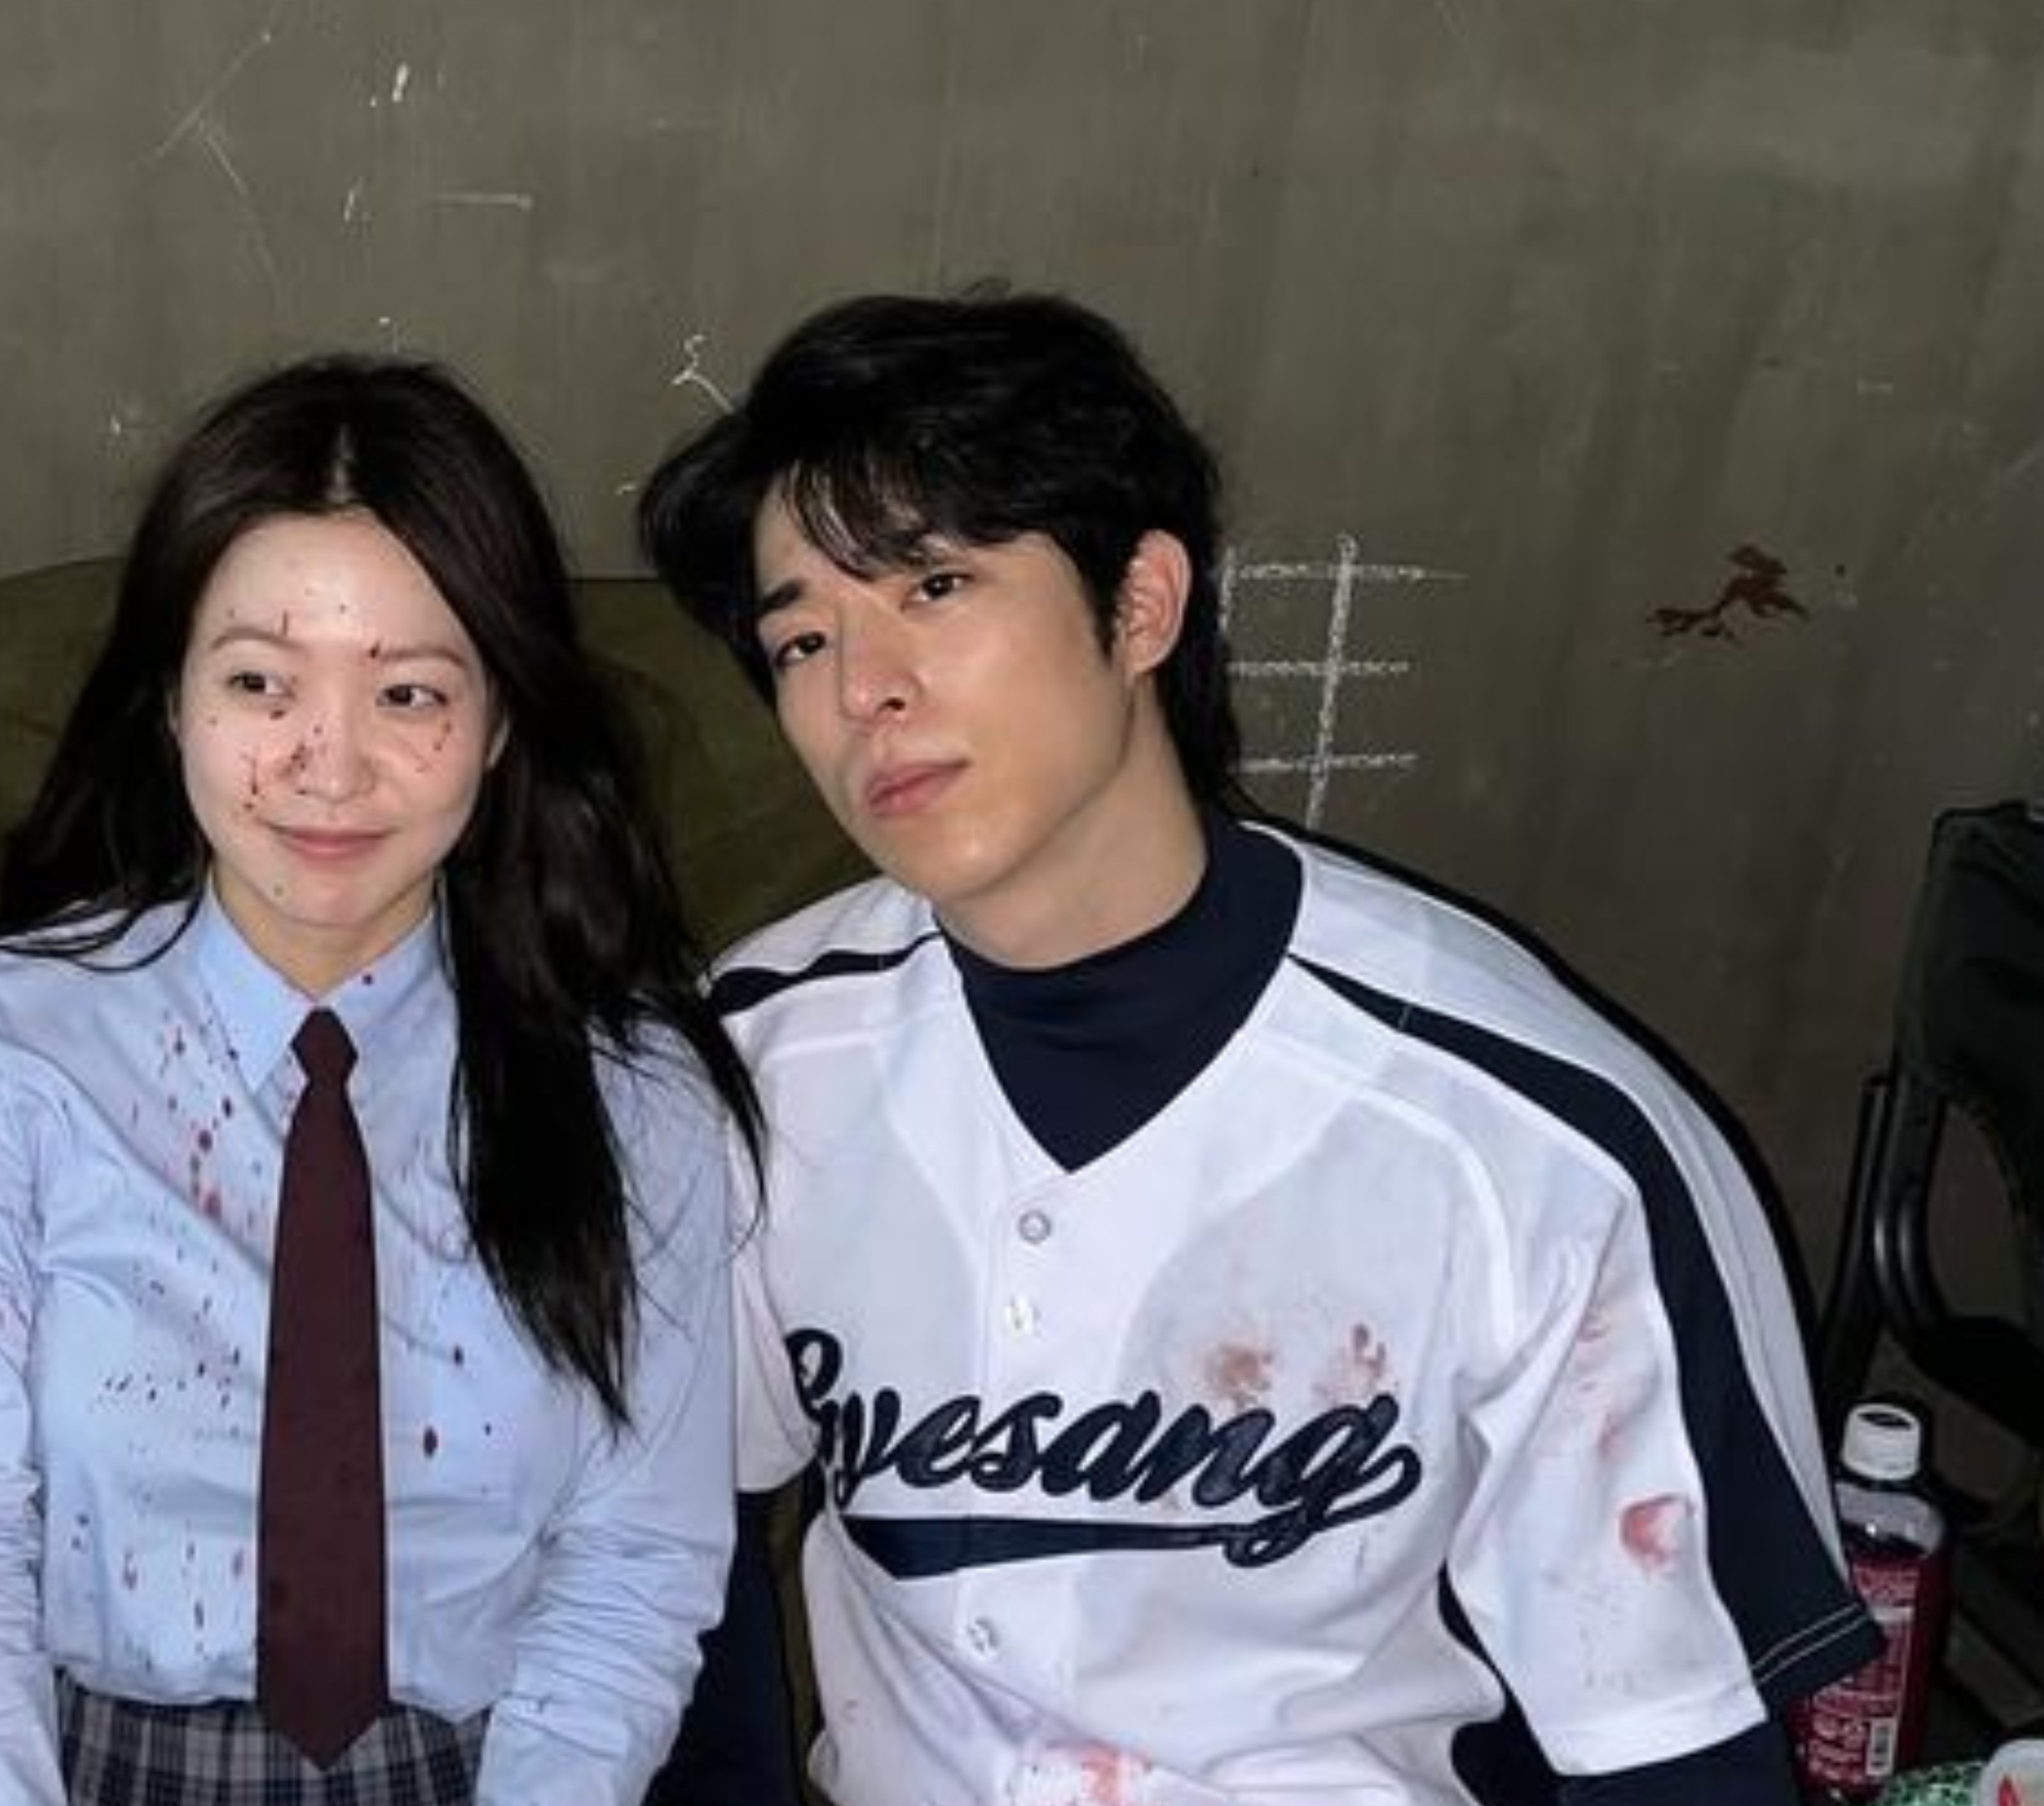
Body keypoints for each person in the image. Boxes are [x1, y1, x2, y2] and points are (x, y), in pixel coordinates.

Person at [634, 288, 1881, 1806]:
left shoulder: (1537, 1141)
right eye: (801, 638)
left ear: (1141, 606)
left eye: (936, 585)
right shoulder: (745, 1062)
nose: (860, 690)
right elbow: (659, 1559)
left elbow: (1672, 1752)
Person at [0, 355, 762, 1806]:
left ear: (502, 721)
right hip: (74, 1769)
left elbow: (633, 1572)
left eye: (408, 692)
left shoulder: (632, 1091)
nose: (328, 767)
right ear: (171, 701)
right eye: (260, 684)